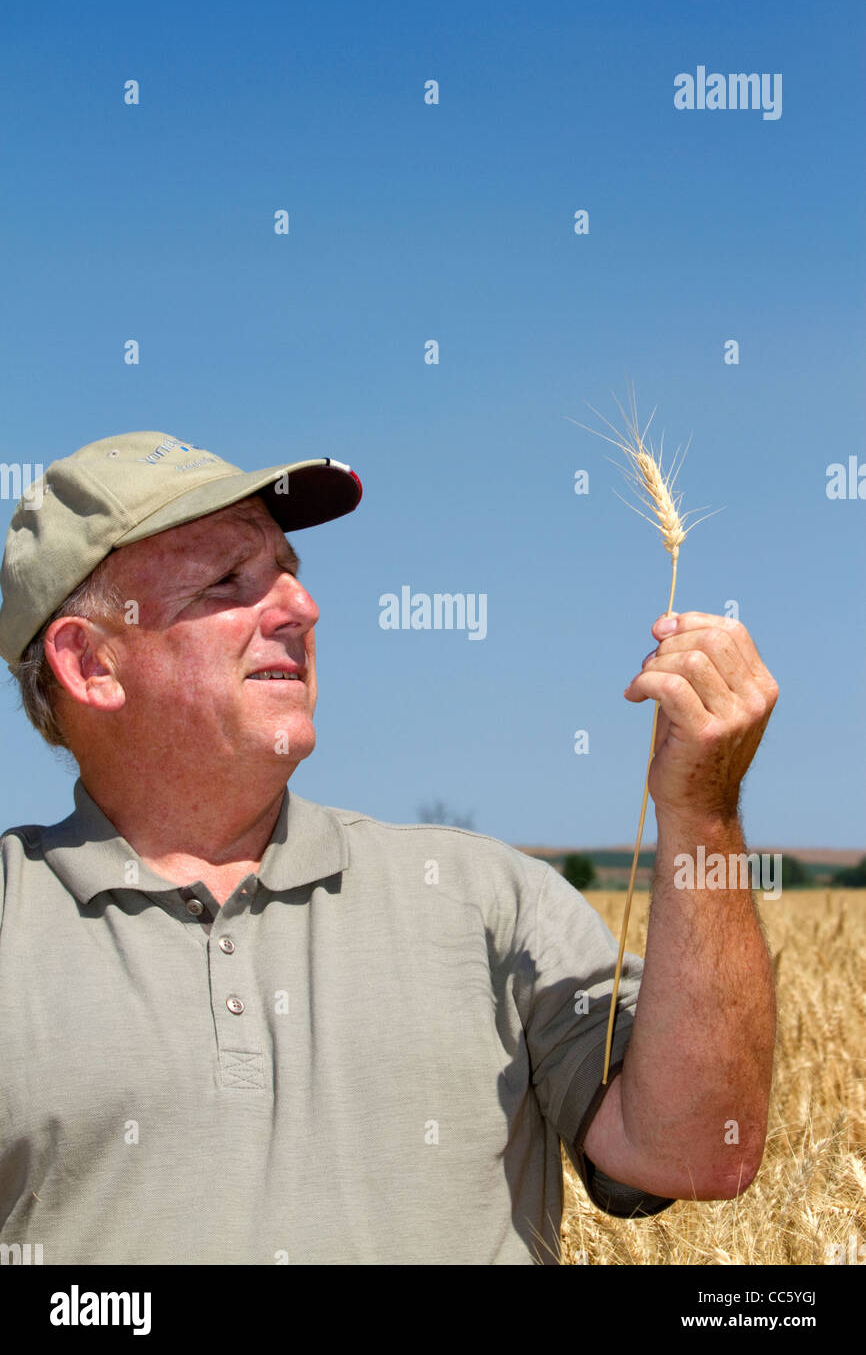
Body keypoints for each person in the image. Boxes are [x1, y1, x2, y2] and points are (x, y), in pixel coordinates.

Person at [0, 431, 778, 1266]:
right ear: (90, 663)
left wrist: (702, 815)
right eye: (228, 580)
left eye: (289, 571)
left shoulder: (490, 900)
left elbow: (701, 1150)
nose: (303, 608)